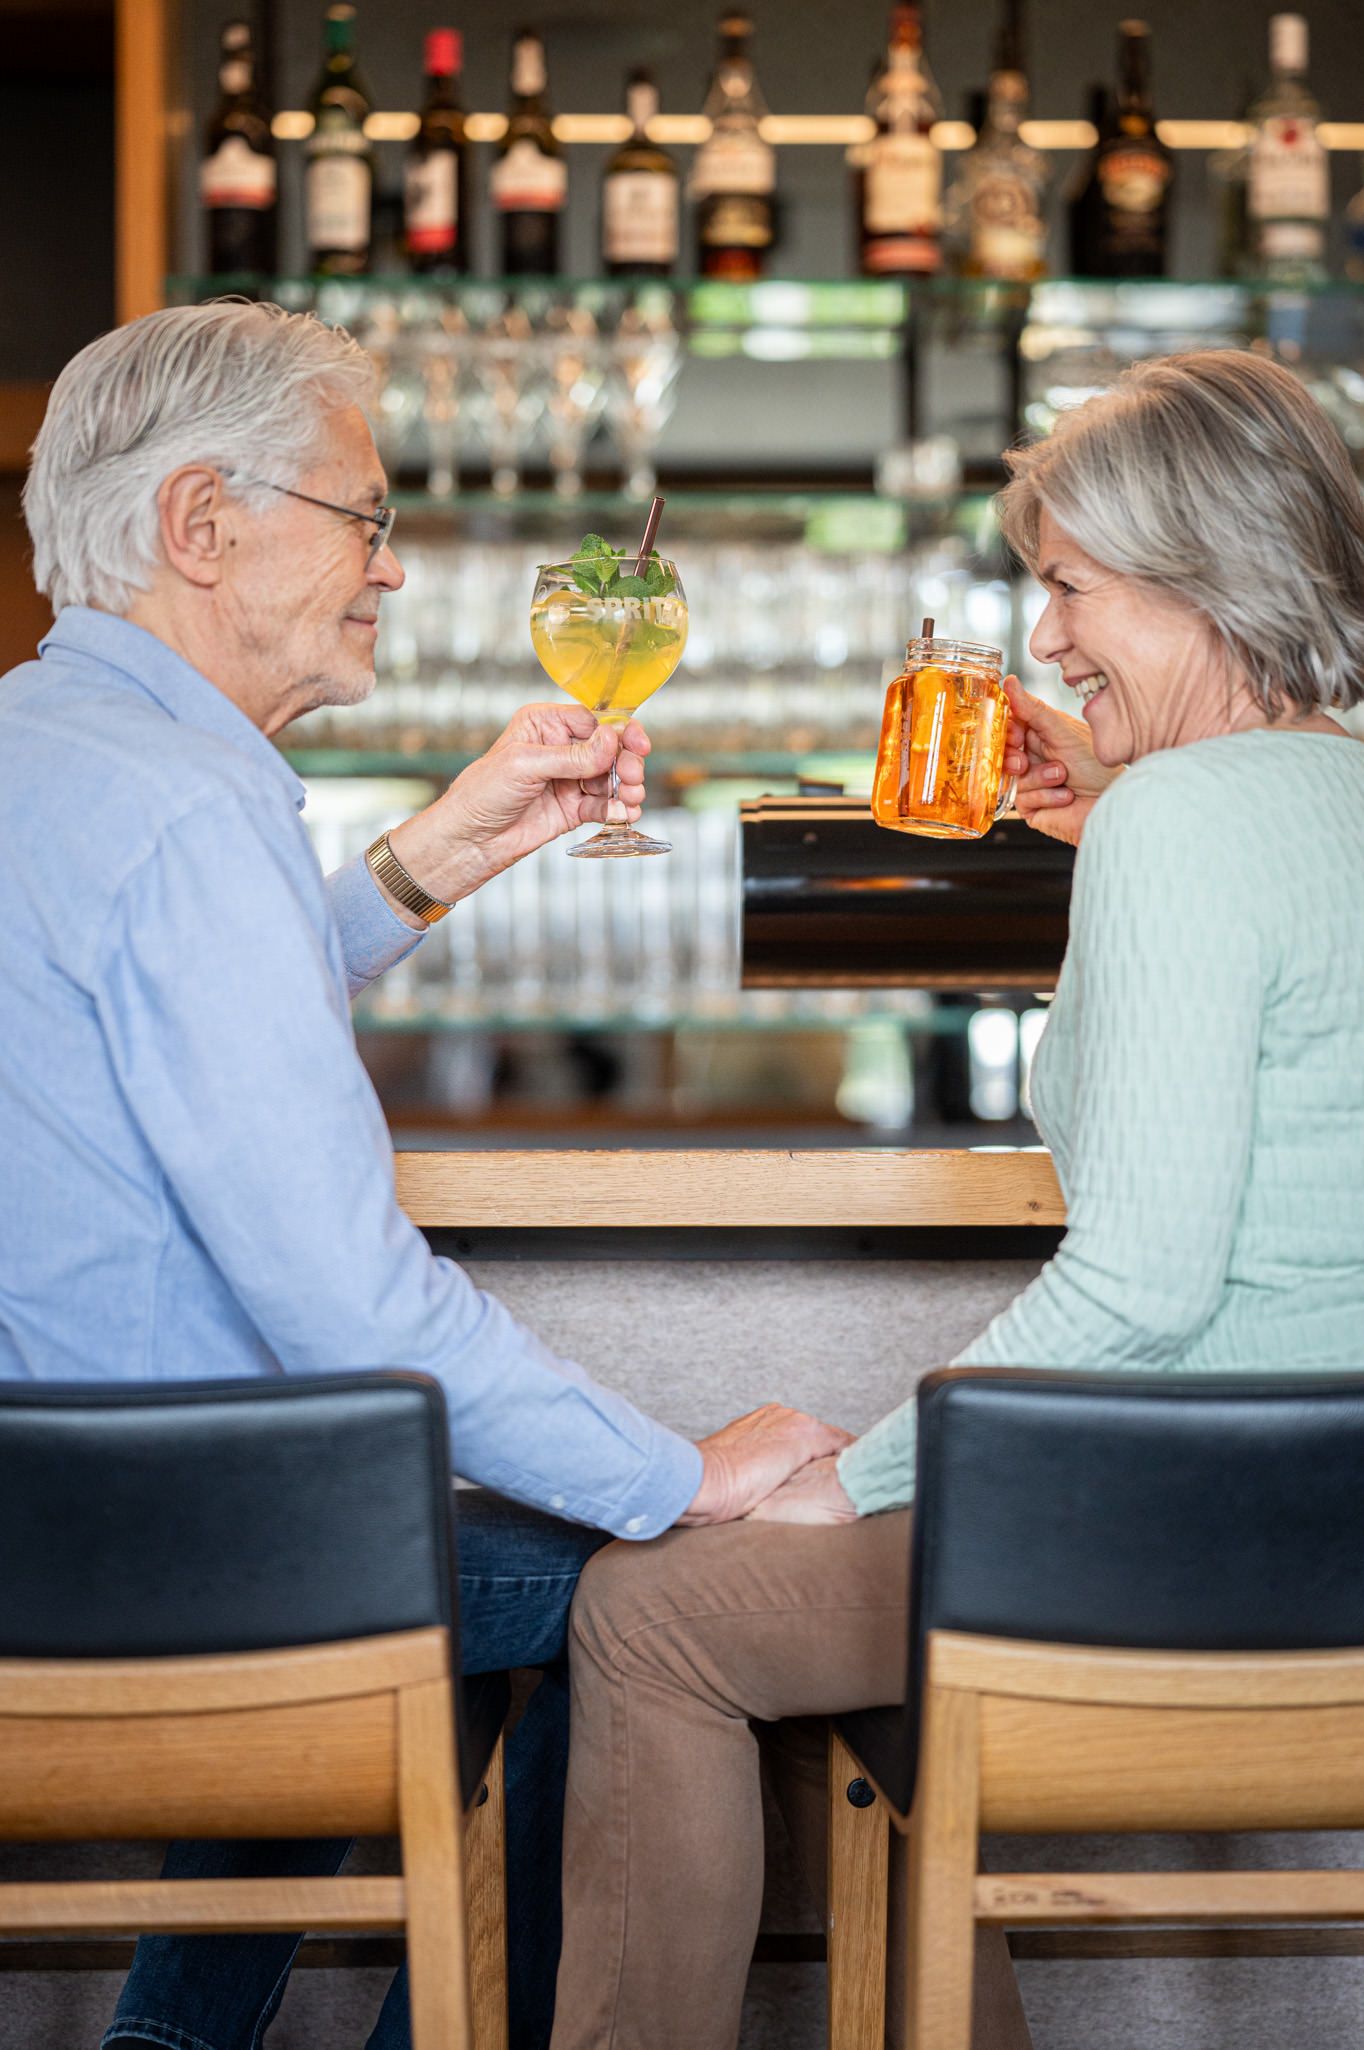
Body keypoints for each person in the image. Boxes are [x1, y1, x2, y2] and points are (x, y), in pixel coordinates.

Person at [0, 300, 844, 2050]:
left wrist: (421, 862)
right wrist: (676, 1469)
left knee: (391, 1541)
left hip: (51, 1520)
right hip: (181, 1548)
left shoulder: (49, 751)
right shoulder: (189, 804)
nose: (393, 568)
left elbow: (147, 1019)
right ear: (202, 526)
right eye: (365, 517)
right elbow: (343, 1297)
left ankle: (173, 2039)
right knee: (632, 1600)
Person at [547, 348, 1364, 2050]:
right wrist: (1127, 815)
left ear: (1209, 570)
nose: (1048, 639)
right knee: (864, 1695)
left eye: (1072, 587)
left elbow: (1140, 1285)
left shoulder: (1185, 827)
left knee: (655, 1615)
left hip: (1182, 1537)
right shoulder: (1310, 790)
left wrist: (856, 1475)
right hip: (1329, 1525)